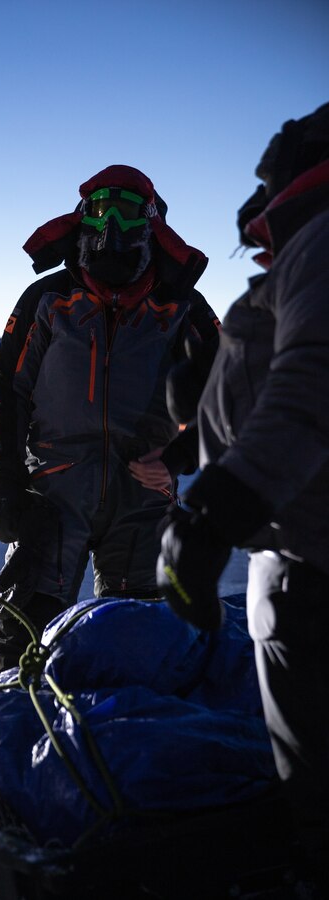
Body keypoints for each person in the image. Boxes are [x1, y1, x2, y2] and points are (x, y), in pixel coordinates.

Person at [156, 103, 329, 893]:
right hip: (297, 553)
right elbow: (279, 391)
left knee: (319, 780)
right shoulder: (305, 250)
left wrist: (211, 511)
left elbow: (314, 384)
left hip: (312, 561)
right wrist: (199, 424)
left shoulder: (322, 236)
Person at [0, 165, 219, 673]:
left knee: (140, 647)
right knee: (27, 644)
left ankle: (123, 720)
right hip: (53, 492)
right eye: (100, 208)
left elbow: (232, 389)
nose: (111, 222)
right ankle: (13, 714)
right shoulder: (48, 299)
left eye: (127, 210)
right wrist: (3, 475)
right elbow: (6, 391)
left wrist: (182, 455)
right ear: (82, 217)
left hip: (143, 497)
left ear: (150, 222)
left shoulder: (181, 306)